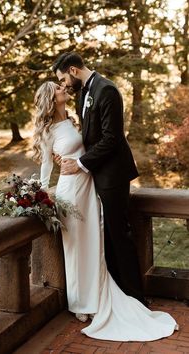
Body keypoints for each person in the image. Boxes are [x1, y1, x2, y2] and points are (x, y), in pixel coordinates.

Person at [31, 80, 178, 341]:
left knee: (94, 244)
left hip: (88, 188)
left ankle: (96, 295)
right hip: (70, 193)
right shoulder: (48, 131)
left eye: (61, 84)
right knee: (76, 247)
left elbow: (88, 149)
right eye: (58, 88)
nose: (63, 87)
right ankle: (79, 304)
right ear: (51, 99)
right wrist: (40, 196)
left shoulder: (71, 120)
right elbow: (45, 169)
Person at [52, 52, 145, 304]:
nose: (63, 85)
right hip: (95, 174)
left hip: (113, 174)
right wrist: (68, 156)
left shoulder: (107, 90)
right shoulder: (83, 92)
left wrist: (80, 164)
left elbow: (111, 139)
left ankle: (136, 298)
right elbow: (89, 138)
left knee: (118, 234)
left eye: (63, 78)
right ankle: (113, 292)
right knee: (105, 235)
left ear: (72, 70)